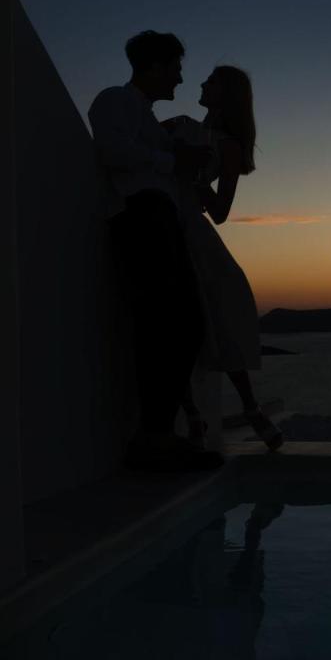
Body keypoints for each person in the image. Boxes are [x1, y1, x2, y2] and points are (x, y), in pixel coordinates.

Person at [88, 30, 223, 472]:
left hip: (159, 218)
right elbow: (112, 151)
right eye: (175, 69)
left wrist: (182, 157)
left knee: (181, 324)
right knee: (164, 324)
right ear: (154, 67)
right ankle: (153, 439)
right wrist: (173, 160)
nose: (180, 79)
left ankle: (158, 435)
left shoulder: (147, 120)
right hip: (141, 217)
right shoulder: (114, 100)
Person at [163, 66, 283, 451]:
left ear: (225, 93)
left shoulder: (227, 145)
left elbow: (220, 211)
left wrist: (193, 177)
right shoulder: (179, 125)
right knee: (175, 322)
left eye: (211, 81)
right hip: (161, 221)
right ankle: (193, 415)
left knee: (227, 308)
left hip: (191, 227)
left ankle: (249, 406)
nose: (202, 83)